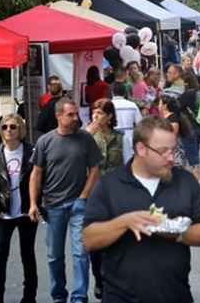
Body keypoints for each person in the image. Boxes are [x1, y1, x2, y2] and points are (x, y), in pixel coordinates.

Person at [82, 116, 200, 303]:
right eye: (163, 152)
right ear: (141, 149)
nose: (171, 158)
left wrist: (173, 231)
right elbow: (88, 239)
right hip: (120, 297)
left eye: (174, 150)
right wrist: (125, 222)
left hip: (176, 295)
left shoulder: (185, 181)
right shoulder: (110, 184)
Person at [29, 98, 103, 303]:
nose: (75, 118)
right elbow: (36, 174)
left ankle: (79, 296)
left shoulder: (85, 139)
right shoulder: (45, 141)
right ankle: (58, 295)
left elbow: (95, 169)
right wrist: (33, 203)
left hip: (79, 205)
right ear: (58, 116)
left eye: (76, 114)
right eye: (70, 114)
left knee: (81, 253)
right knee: (54, 256)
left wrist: (84, 196)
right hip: (53, 205)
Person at [0, 114, 37, 303]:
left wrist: (36, 205)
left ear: (21, 130)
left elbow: (38, 179)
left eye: (13, 127)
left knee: (28, 254)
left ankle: (29, 298)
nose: (8, 130)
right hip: (3, 212)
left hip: (25, 211)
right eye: (4, 127)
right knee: (0, 254)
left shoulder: (31, 151)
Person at [85, 99, 123, 299]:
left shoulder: (120, 137)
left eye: (100, 113)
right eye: (94, 113)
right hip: (94, 195)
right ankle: (99, 279)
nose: (95, 117)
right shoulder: (87, 137)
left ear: (109, 117)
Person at [111, 82, 143, 163]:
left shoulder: (109, 105)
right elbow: (140, 124)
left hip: (113, 141)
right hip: (130, 140)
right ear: (125, 92)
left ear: (112, 92)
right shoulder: (132, 105)